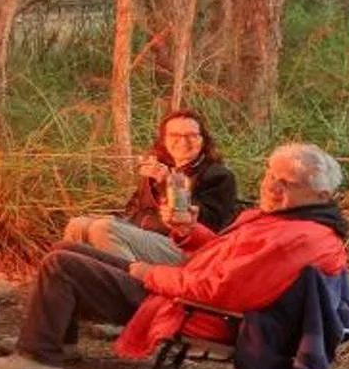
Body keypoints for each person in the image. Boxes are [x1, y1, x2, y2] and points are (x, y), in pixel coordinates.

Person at [0, 141, 349, 369]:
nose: (271, 185)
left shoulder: (297, 238)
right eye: (270, 174)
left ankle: (40, 358)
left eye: (286, 182)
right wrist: (188, 233)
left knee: (62, 266)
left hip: (191, 309)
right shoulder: (288, 221)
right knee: (67, 247)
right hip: (185, 291)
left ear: (321, 194)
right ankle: (55, 341)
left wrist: (149, 273)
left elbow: (217, 290)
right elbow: (222, 257)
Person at [57, 108, 240, 267]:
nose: (183, 142)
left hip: (187, 248)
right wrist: (117, 219)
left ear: (203, 140)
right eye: (175, 136)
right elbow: (133, 208)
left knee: (104, 229)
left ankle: (127, 286)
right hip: (145, 234)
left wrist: (167, 183)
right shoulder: (157, 167)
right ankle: (77, 283)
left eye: (191, 135)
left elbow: (207, 225)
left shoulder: (218, 176)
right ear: (164, 140)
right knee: (78, 225)